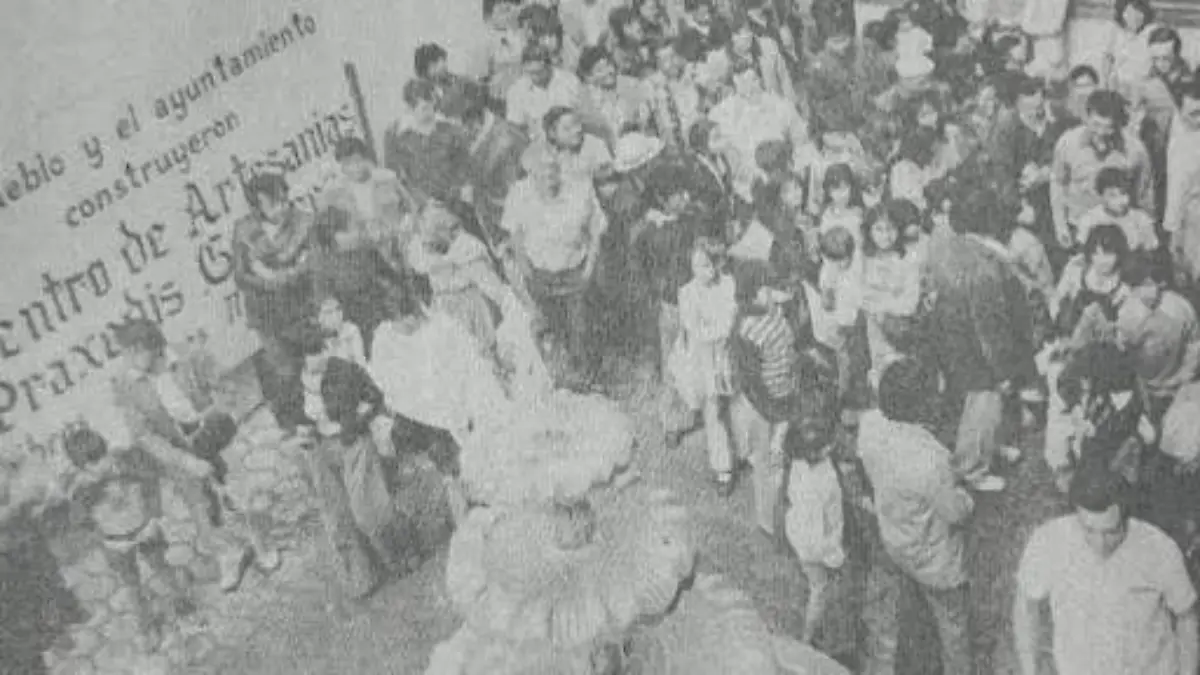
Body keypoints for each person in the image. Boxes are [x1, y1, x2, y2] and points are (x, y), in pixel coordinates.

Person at [109, 319, 278, 594]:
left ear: (152, 347)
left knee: (246, 496)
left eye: (132, 352)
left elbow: (225, 385)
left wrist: (219, 415)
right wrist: (185, 461)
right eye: (125, 353)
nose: (127, 360)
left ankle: (263, 543)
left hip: (213, 435)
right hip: (180, 454)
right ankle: (231, 554)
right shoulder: (126, 383)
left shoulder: (188, 356)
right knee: (204, 516)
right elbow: (143, 435)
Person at [1014, 463, 1199, 675]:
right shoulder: (1049, 542)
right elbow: (1026, 606)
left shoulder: (1159, 548)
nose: (1100, 544)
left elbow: (1186, 617)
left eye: (1111, 532)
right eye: (1089, 530)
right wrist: (1030, 670)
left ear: (1126, 517)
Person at [858, 358, 975, 675]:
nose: (942, 397)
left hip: (895, 539)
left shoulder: (870, 426)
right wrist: (968, 497)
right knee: (954, 627)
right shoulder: (931, 460)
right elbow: (954, 513)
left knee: (911, 611)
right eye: (936, 394)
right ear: (923, 406)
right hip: (936, 561)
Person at [298, 328, 408, 609]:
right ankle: (363, 576)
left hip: (352, 444)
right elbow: (296, 414)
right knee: (338, 515)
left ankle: (402, 553)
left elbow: (375, 397)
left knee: (366, 508)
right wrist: (303, 432)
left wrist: (356, 424)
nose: (316, 358)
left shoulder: (345, 370)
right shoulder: (297, 382)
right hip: (320, 450)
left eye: (319, 349)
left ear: (327, 347)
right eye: (309, 353)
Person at [64, 427, 192, 653]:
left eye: (104, 455)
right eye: (95, 463)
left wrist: (153, 517)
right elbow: (81, 526)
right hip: (116, 544)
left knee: (163, 568)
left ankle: (184, 608)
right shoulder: (81, 491)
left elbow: (152, 485)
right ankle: (149, 626)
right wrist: (104, 540)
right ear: (82, 467)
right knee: (132, 585)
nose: (104, 463)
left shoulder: (126, 462)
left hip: (146, 529)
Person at [500, 145, 608, 388]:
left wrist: (589, 268)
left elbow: (596, 230)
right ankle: (564, 376)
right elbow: (515, 237)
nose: (550, 173)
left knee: (581, 326)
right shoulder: (519, 194)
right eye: (543, 169)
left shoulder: (580, 189)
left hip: (575, 270)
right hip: (540, 275)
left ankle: (587, 379)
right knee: (553, 328)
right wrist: (527, 271)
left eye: (554, 167)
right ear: (531, 172)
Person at [232, 172, 314, 436]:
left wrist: (283, 275)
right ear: (257, 208)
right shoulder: (244, 230)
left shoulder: (303, 221)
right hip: (266, 314)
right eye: (272, 204)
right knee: (283, 369)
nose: (282, 208)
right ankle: (291, 423)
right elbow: (241, 275)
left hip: (300, 308)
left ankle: (316, 413)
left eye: (284, 200)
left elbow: (311, 262)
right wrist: (271, 282)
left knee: (308, 363)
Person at [731, 262, 800, 539]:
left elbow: (783, 300)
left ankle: (778, 503)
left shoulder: (767, 308)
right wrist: (776, 413)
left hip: (783, 393)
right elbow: (751, 381)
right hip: (767, 405)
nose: (773, 293)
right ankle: (769, 520)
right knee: (768, 461)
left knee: (777, 458)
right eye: (767, 288)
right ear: (755, 293)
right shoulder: (748, 329)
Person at [1050, 89, 1155, 253]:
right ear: (1086, 117)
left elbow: (1144, 194)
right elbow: (1058, 183)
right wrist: (1060, 226)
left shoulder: (1135, 151)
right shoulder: (1068, 143)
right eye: (1095, 125)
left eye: (1108, 128)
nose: (1101, 133)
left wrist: (1146, 232)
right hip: (1079, 229)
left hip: (1120, 233)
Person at [673, 237, 738, 494]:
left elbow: (729, 322)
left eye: (706, 266)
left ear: (718, 265)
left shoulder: (728, 285)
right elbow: (694, 328)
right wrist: (714, 329)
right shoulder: (687, 292)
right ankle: (722, 467)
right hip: (705, 360)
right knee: (713, 411)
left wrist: (717, 329)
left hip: (727, 355)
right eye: (696, 266)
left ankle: (742, 451)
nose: (700, 272)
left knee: (734, 405)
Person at [782, 415, 845, 647]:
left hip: (799, 533)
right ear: (814, 453)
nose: (832, 445)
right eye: (826, 445)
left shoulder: (799, 465)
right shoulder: (819, 486)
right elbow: (816, 536)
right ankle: (808, 639)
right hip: (815, 547)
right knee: (820, 590)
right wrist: (833, 554)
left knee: (817, 585)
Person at [1117, 251, 1200, 424]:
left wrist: (1184, 375)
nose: (1143, 293)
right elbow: (1124, 352)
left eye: (1147, 285)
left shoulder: (1181, 308)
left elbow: (1194, 343)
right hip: (1147, 388)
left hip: (1179, 384)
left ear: (1160, 282)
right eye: (1135, 287)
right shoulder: (1127, 314)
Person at [859, 202, 922, 388]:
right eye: (879, 229)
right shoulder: (864, 258)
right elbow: (861, 296)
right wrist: (890, 299)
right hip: (874, 333)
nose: (885, 236)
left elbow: (910, 303)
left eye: (891, 229)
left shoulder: (908, 258)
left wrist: (881, 305)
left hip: (901, 330)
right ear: (869, 231)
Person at [384, 79, 472, 204]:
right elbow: (395, 177)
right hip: (419, 206)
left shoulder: (452, 131)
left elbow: (465, 166)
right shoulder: (397, 137)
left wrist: (459, 192)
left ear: (434, 100)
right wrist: (420, 202)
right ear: (408, 107)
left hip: (455, 200)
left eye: (426, 99)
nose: (422, 104)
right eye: (415, 102)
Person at [505, 43, 586, 142]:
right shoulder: (516, 90)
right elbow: (515, 127)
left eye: (539, 72)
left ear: (549, 65)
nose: (535, 77)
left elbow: (585, 114)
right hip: (538, 147)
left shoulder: (570, 81)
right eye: (530, 72)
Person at [1165, 78, 1200, 286]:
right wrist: (1174, 240)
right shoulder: (1183, 147)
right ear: (1179, 112)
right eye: (1194, 114)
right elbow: (1176, 196)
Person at [1075, 166, 1159, 251]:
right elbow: (1084, 252)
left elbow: (1151, 250)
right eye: (1112, 195)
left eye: (1123, 193)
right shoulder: (1090, 220)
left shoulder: (1140, 218)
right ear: (1101, 196)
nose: (1120, 200)